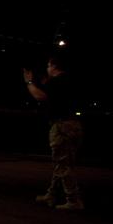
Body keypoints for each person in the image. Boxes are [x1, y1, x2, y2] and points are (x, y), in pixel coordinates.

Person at [23, 54, 84, 210]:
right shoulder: (68, 81)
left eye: (49, 66)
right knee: (62, 163)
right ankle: (52, 194)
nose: (47, 68)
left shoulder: (57, 81)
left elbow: (40, 96)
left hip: (62, 126)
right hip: (73, 125)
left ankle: (73, 199)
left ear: (54, 66)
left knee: (63, 164)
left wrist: (29, 82)